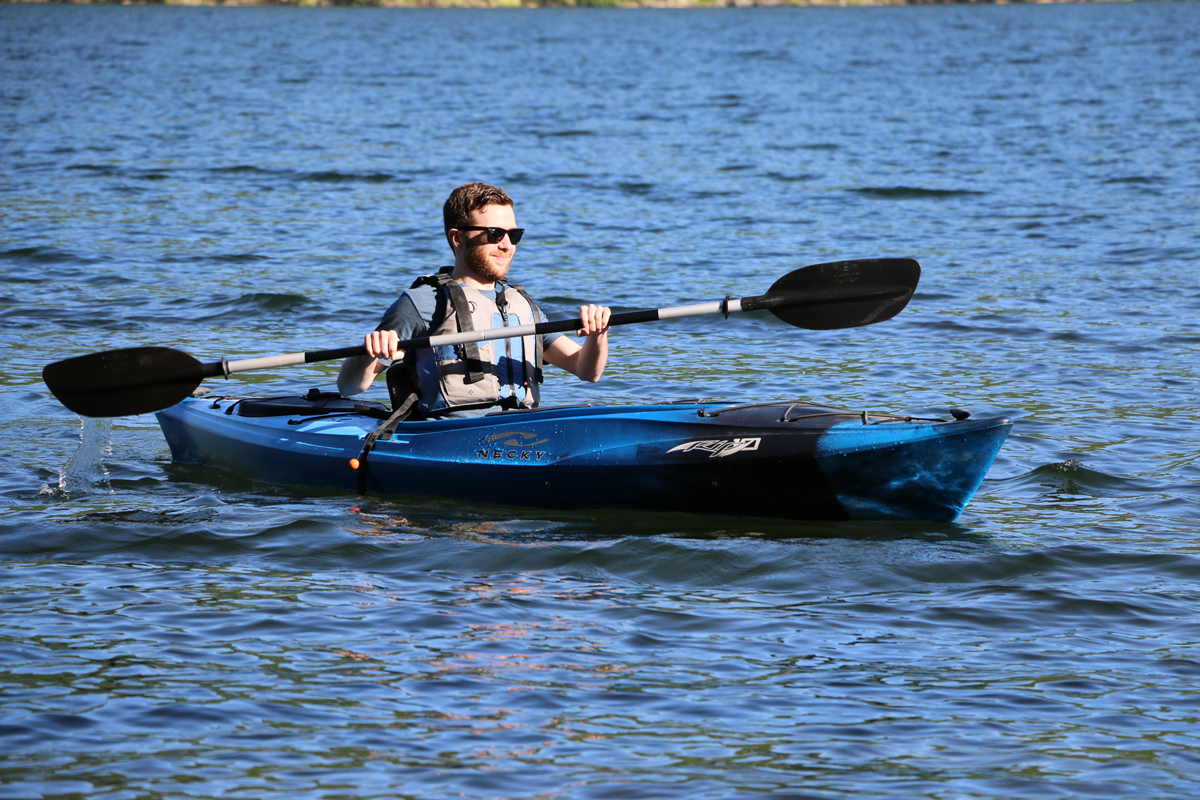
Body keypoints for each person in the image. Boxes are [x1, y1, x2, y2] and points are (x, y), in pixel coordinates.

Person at [337, 182, 611, 419]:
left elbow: (587, 370)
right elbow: (349, 387)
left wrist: (598, 335)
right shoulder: (421, 303)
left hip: (520, 431)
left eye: (514, 235)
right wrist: (370, 353)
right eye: (494, 234)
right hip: (450, 437)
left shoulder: (523, 306)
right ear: (457, 238)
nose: (507, 245)